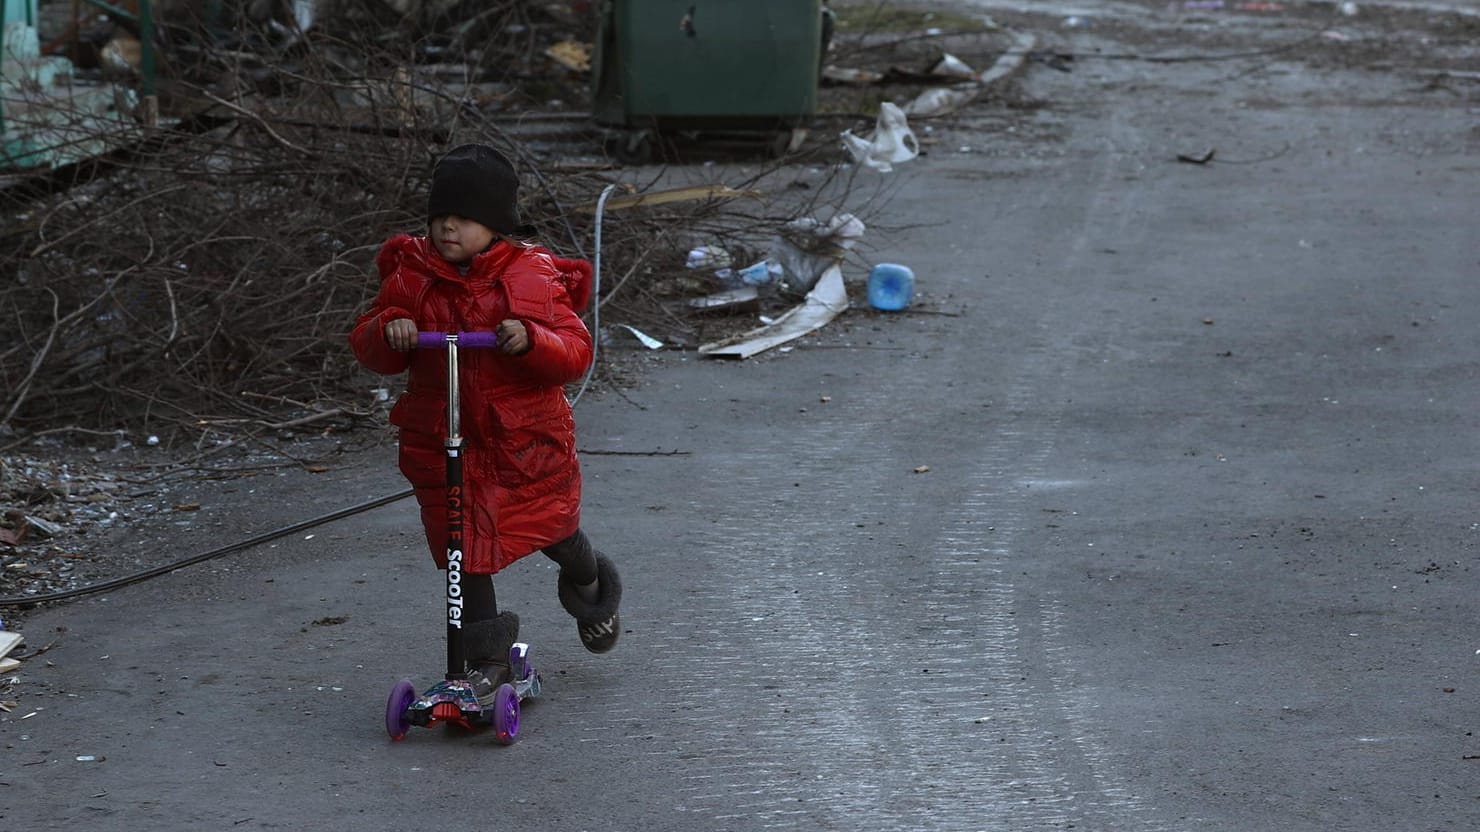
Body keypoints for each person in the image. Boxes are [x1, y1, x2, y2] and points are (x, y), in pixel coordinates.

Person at [349, 143, 622, 677]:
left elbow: (575, 350)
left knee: (552, 529)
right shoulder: (411, 274)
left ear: (496, 225)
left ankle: (590, 587)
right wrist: (390, 331)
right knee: (462, 551)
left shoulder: (529, 275)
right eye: (440, 216)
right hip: (443, 443)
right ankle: (485, 662)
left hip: (522, 445)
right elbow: (368, 343)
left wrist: (532, 339)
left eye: (465, 218)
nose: (448, 227)